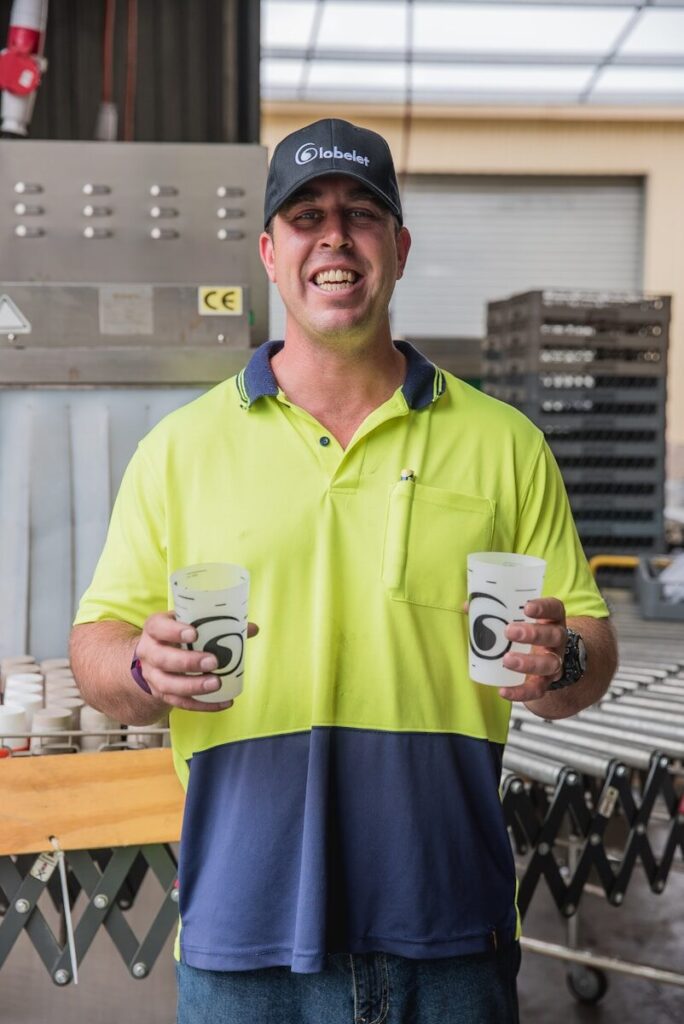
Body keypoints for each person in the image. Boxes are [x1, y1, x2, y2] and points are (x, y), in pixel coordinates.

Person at [71, 118, 617, 1023]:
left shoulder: (503, 444)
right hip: (243, 936)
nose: (334, 235)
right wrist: (139, 668)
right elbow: (96, 647)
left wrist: (558, 661)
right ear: (269, 253)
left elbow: (588, 652)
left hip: (448, 926)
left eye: (362, 213)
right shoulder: (180, 450)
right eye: (306, 215)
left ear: (398, 249)